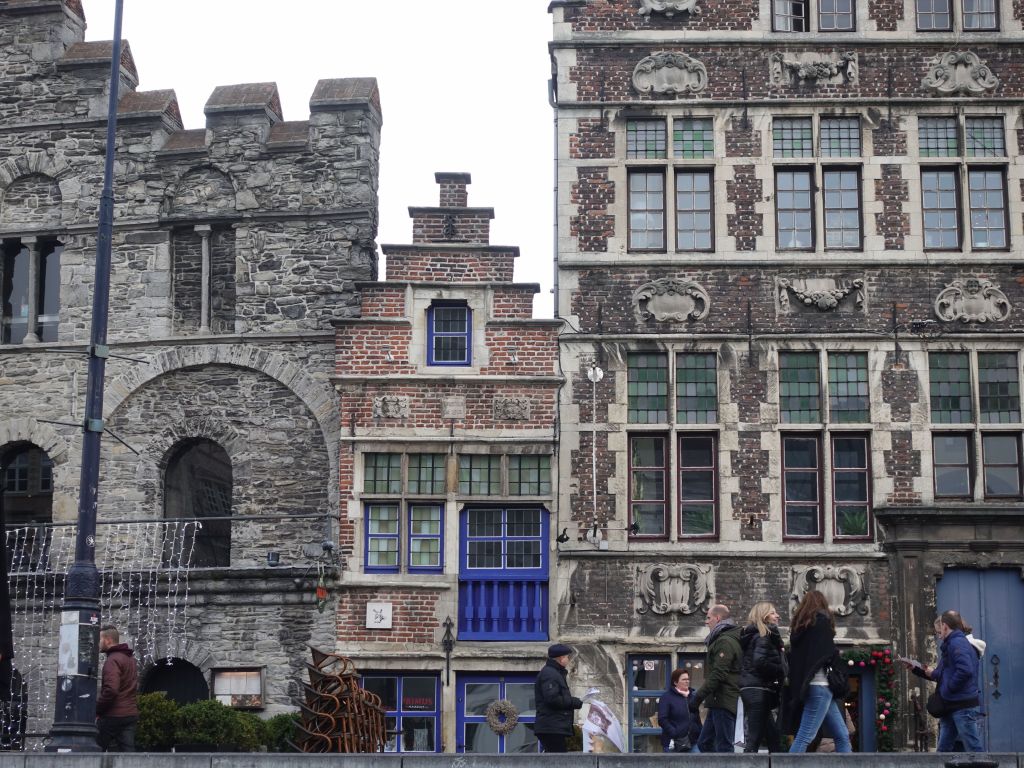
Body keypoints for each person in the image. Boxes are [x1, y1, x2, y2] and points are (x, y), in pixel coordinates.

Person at [901, 610, 984, 752]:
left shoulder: (957, 643)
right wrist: (917, 669)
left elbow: (965, 671)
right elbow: (941, 674)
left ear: (945, 626)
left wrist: (948, 688)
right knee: (944, 750)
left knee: (973, 749)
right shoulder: (953, 644)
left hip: (961, 705)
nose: (939, 636)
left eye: (939, 632)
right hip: (951, 705)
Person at [786, 590, 851, 753]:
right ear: (822, 604)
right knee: (805, 736)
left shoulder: (799, 629)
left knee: (842, 735)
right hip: (821, 685)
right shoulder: (822, 623)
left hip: (812, 686)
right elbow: (827, 653)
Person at [689, 603, 742, 753]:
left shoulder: (724, 641)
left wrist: (697, 697)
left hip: (724, 700)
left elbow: (718, 673)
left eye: (708, 618)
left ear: (717, 618)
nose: (706, 622)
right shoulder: (721, 639)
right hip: (717, 701)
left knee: (725, 747)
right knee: (704, 743)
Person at [739, 601, 786, 753]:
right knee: (754, 738)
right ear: (764, 616)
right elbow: (760, 662)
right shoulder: (763, 635)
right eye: (773, 612)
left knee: (772, 736)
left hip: (756, 689)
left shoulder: (757, 635)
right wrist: (780, 670)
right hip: (758, 690)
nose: (777, 615)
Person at [96, 625, 139, 752]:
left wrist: (98, 709)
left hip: (113, 714)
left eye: (100, 640)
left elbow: (111, 690)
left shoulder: (112, 660)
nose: (98, 644)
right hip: (130, 713)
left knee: (94, 751)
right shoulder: (129, 659)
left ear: (108, 640)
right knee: (127, 754)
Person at [534, 642, 583, 753]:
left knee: (555, 759)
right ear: (561, 658)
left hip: (554, 727)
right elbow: (552, 699)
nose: (568, 660)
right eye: (567, 657)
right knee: (558, 760)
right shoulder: (550, 674)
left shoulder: (554, 673)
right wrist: (573, 702)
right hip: (551, 727)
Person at [657, 668, 701, 752]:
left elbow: (697, 718)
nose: (687, 681)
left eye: (688, 679)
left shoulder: (692, 697)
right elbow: (662, 719)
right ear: (675, 682)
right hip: (674, 742)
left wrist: (699, 732)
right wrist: (675, 733)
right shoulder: (666, 697)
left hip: (693, 742)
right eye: (684, 679)